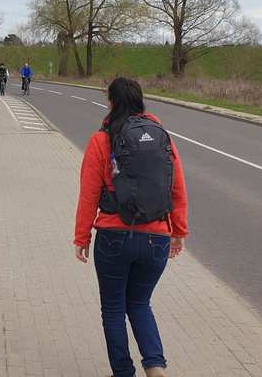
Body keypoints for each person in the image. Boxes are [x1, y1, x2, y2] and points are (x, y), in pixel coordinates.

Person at [74, 77, 188, 377]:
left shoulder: (102, 139)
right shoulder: (163, 136)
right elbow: (176, 188)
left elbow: (88, 192)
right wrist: (178, 231)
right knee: (139, 303)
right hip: (157, 238)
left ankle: (123, 372)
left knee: (113, 308)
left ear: (111, 103)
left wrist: (82, 235)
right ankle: (155, 366)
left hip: (113, 235)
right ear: (140, 101)